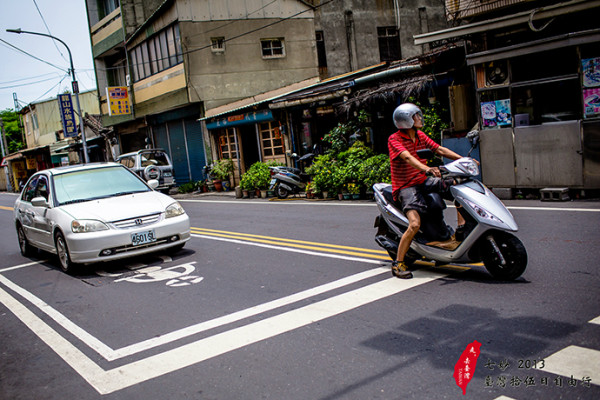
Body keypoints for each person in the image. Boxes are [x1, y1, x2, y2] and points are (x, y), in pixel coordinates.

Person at [388, 103, 466, 279]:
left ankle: (461, 229)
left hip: (423, 181)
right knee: (414, 224)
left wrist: (463, 160)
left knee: (457, 186)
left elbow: (438, 149)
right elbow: (407, 157)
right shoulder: (395, 139)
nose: (419, 118)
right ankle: (398, 263)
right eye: (416, 116)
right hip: (406, 186)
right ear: (406, 119)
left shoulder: (420, 135)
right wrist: (427, 168)